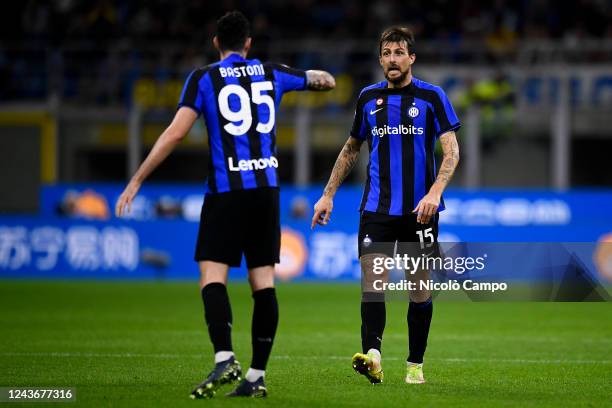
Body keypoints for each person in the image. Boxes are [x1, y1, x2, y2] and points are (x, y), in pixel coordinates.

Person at [115, 11, 335, 398]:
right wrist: (312, 79)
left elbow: (176, 133)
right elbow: (325, 81)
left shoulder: (203, 78)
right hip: (266, 191)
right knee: (262, 283)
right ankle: (255, 376)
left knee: (212, 277)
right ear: (249, 44)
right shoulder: (271, 72)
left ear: (216, 42)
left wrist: (136, 179)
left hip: (226, 192)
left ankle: (224, 357)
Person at [311, 26, 460, 385]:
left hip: (419, 213)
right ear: (380, 59)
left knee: (419, 290)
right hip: (376, 210)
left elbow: (452, 151)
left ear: (411, 58)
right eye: (386, 53)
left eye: (399, 52)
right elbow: (351, 148)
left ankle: (414, 365)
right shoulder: (367, 99)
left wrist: (434, 193)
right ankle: (373, 356)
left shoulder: (432, 97)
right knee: (373, 284)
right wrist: (328, 194)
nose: (392, 59)